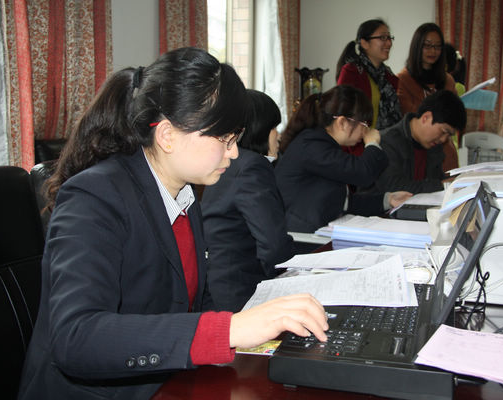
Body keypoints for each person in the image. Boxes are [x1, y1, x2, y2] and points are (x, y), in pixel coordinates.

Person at [17, 47, 328, 400]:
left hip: (167, 382)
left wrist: (251, 333)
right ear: (167, 136)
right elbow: (76, 338)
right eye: (224, 139)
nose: (233, 153)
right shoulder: (94, 197)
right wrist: (229, 329)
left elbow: (191, 302)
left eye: (235, 139)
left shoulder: (183, 193)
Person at [201, 89, 295, 312]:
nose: (278, 135)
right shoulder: (251, 166)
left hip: (216, 287)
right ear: (259, 128)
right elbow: (273, 245)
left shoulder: (227, 164)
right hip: (243, 293)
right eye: (274, 127)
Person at [275, 85, 412, 234]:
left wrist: (388, 200)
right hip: (298, 237)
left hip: (313, 232)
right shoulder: (312, 145)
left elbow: (341, 202)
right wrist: (372, 144)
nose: (366, 131)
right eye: (364, 124)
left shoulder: (321, 144)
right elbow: (362, 173)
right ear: (342, 122)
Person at [372, 90, 466, 195]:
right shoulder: (388, 142)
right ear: (426, 117)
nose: (444, 139)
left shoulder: (434, 146)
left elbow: (436, 179)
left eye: (448, 136)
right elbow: (394, 187)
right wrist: (441, 185)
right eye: (444, 132)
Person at [397, 22, 459, 172]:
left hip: (445, 154)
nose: (433, 51)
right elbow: (409, 118)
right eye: (428, 45)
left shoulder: (448, 80)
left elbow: (454, 117)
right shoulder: (402, 80)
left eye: (437, 46)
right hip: (416, 154)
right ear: (417, 46)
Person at [336, 19, 402, 132]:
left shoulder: (389, 75)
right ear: (364, 43)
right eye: (382, 38)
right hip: (359, 140)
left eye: (389, 38)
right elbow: (343, 113)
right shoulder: (352, 72)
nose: (389, 43)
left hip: (389, 139)